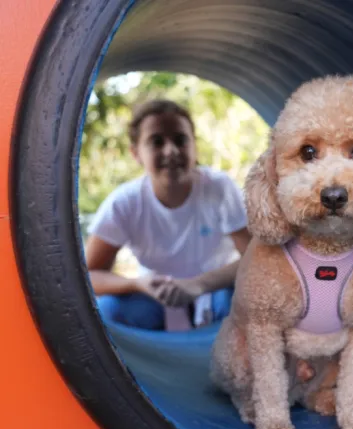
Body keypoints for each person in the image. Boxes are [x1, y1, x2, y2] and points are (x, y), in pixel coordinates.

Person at [84, 99, 252, 331]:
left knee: (245, 296)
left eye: (180, 140)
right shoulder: (124, 203)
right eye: (156, 141)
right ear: (136, 153)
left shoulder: (218, 188)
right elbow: (88, 275)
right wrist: (137, 284)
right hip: (154, 297)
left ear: (194, 147)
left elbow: (258, 258)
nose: (171, 151)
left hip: (215, 291)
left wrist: (198, 285)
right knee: (108, 310)